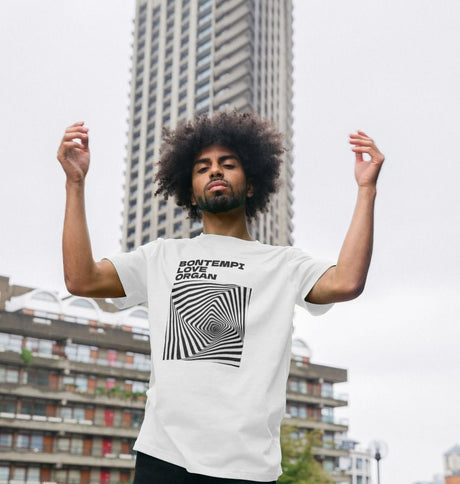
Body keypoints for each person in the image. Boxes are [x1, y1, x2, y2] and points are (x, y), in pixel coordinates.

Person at [57, 111, 385, 483]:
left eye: (227, 165)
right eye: (203, 168)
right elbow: (81, 279)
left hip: (247, 467)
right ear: (190, 192)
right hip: (163, 458)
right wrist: (75, 182)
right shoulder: (160, 257)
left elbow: (347, 282)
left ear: (251, 185)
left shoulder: (283, 264)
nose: (215, 171)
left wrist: (367, 189)